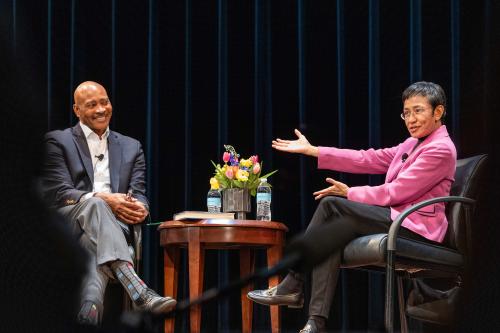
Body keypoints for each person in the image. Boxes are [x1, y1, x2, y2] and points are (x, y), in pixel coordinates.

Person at [247, 81, 456, 333]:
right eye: (406, 112)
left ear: (438, 112)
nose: (410, 119)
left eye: (418, 111)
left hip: (415, 226)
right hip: (398, 218)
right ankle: (315, 321)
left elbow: (396, 192)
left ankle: (293, 283)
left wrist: (350, 192)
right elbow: (366, 158)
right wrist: (314, 151)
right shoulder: (411, 144)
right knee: (331, 226)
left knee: (333, 206)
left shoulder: (441, 148)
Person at [39, 81, 176, 326]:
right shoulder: (57, 141)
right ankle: (139, 292)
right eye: (92, 105)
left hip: (115, 227)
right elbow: (59, 192)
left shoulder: (131, 146)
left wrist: (140, 207)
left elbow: (140, 192)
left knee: (93, 248)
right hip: (72, 220)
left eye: (105, 102)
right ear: (77, 110)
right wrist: (103, 198)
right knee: (96, 206)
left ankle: (88, 313)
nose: (102, 109)